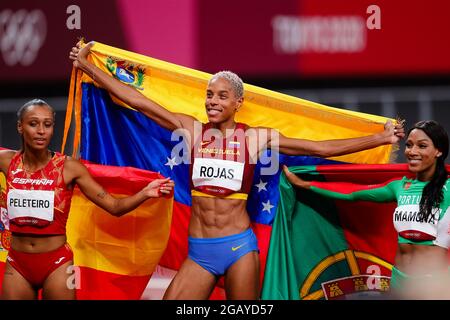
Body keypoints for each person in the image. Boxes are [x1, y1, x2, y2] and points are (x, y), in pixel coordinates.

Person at [70, 41, 404, 300]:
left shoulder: (255, 138)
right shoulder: (192, 130)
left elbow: (318, 148)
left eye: (221, 96)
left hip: (238, 249)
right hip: (199, 252)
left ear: (237, 103)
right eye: (209, 95)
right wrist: (88, 66)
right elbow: (137, 100)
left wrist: (380, 137)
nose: (212, 101)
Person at [0, 99, 174, 300]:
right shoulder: (6, 161)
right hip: (17, 264)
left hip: (57, 265)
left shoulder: (69, 168)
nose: (41, 131)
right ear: (20, 127)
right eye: (33, 124)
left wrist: (145, 193)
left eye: (47, 125)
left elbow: (114, 206)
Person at [283, 120, 450, 299]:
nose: (412, 151)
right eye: (409, 145)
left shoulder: (448, 188)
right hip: (399, 279)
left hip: (432, 281)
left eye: (422, 146)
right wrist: (307, 184)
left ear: (438, 151)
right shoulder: (400, 187)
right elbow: (353, 193)